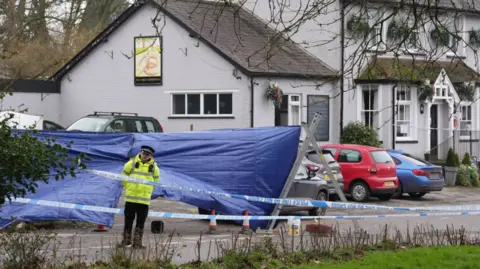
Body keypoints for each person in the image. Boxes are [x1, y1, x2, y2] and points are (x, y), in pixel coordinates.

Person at [119, 145, 160, 248]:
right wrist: (129, 186)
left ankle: (137, 243)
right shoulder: (131, 163)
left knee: (140, 224)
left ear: (151, 156)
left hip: (144, 201)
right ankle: (126, 241)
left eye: (148, 154)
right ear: (141, 153)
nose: (145, 156)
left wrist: (148, 190)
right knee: (128, 222)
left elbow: (156, 182)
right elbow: (123, 177)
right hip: (131, 198)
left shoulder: (154, 167)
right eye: (144, 153)